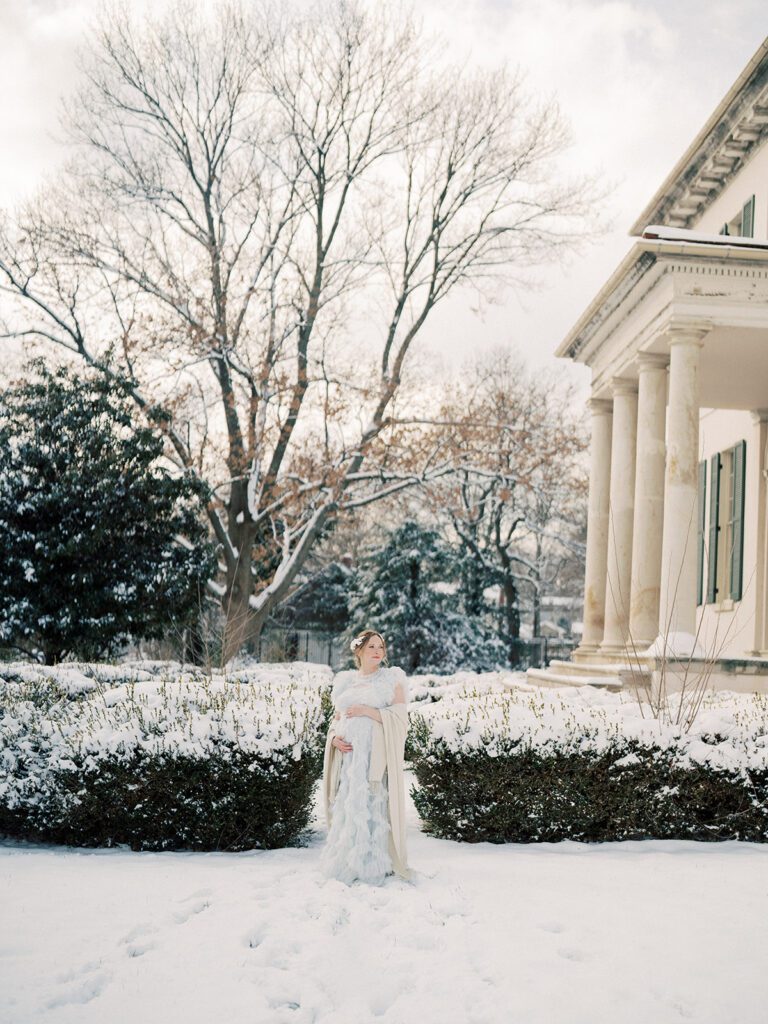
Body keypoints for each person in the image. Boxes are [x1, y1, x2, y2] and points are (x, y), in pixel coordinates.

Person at [320, 629, 411, 884]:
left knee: (374, 802)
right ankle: (348, 860)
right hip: (350, 760)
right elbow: (336, 719)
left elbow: (400, 718)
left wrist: (368, 711)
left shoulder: (391, 680)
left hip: (374, 757)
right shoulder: (346, 682)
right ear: (358, 651)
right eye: (371, 646)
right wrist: (334, 738)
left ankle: (374, 862)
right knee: (351, 804)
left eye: (380, 647)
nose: (377, 651)